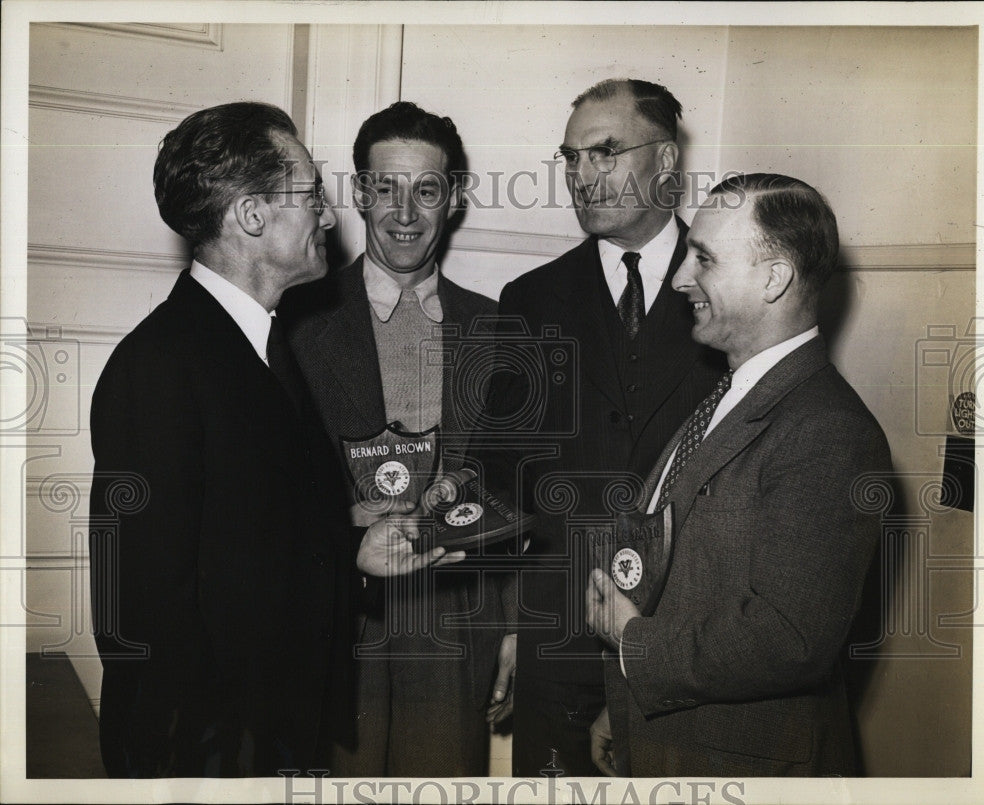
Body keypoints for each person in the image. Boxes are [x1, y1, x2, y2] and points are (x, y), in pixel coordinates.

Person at [88, 101, 459, 778]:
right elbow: (141, 621)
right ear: (253, 216)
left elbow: (242, 552)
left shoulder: (263, 348)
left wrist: (354, 552)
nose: (327, 216)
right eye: (313, 196)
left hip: (273, 746)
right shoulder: (161, 367)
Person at [586, 173, 892, 776]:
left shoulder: (827, 430)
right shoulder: (731, 392)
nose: (678, 279)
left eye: (702, 258)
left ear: (774, 278)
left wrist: (634, 646)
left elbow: (788, 638)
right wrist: (625, 707)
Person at [471, 79, 725, 776]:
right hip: (562, 650)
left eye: (606, 152)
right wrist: (520, 623)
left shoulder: (728, 292)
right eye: (572, 159)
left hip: (689, 648)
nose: (583, 176)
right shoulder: (531, 299)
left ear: (667, 161)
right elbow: (500, 478)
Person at [286, 101, 506, 776]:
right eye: (386, 188)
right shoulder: (295, 321)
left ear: (454, 199)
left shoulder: (499, 328)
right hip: (335, 621)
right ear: (358, 192)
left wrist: (522, 628)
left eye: (427, 190)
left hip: (457, 623)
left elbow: (523, 484)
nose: (405, 213)